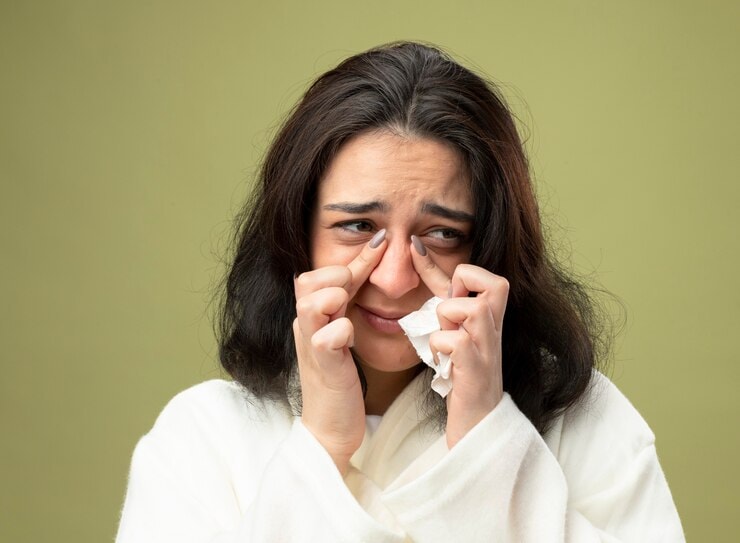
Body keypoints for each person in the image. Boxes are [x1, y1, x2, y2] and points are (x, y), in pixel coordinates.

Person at [116, 42, 684, 542]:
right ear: (297, 237)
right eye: (358, 227)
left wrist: (484, 443)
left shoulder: (589, 424)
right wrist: (321, 444)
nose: (393, 279)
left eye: (439, 234)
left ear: (486, 249)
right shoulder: (202, 438)